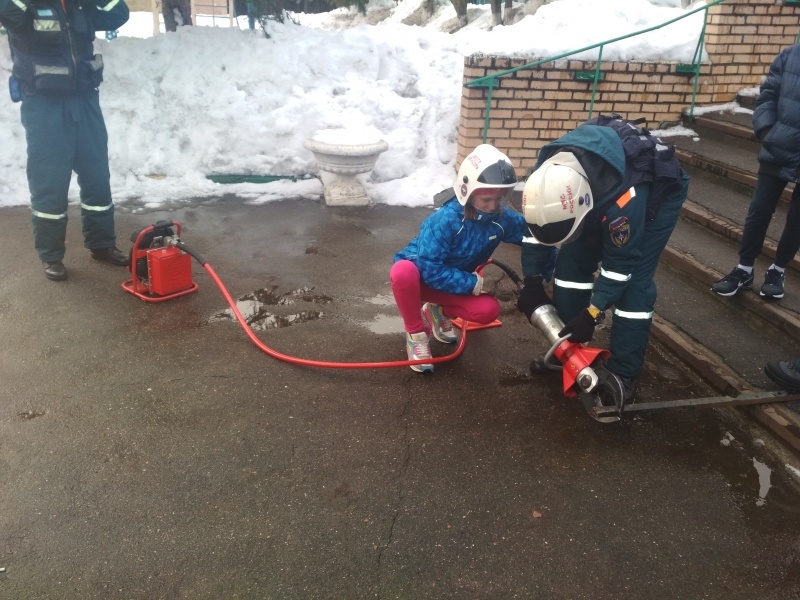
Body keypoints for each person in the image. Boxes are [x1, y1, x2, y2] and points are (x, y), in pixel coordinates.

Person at [516, 115, 689, 404]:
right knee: (570, 266)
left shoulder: (624, 204)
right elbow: (536, 230)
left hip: (655, 191)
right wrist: (532, 280)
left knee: (634, 287)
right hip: (597, 191)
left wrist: (593, 312)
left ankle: (624, 374)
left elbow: (620, 265)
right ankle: (569, 353)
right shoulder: (545, 179)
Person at [1, 0, 131, 282]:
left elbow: (118, 15)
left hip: (85, 99)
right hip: (44, 104)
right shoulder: (26, 6)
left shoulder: (80, 5)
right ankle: (51, 255)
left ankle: (102, 243)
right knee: (49, 180)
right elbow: (7, 13)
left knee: (97, 174)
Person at [391, 144, 527, 373]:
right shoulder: (445, 220)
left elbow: (532, 234)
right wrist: (478, 284)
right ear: (467, 191)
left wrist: (542, 275)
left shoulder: (500, 218)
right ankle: (416, 334)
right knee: (401, 272)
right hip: (421, 281)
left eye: (499, 199)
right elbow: (430, 269)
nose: (493, 206)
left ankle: (437, 311)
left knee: (488, 311)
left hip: (454, 284)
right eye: (486, 200)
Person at [711, 44, 800, 300]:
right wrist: (766, 130)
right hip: (779, 147)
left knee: (797, 219)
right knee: (759, 210)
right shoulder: (790, 56)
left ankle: (778, 271)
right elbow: (768, 94)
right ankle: (744, 269)